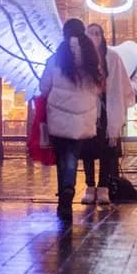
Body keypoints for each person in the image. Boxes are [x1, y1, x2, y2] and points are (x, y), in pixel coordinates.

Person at [39, 18, 103, 220]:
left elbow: (44, 87)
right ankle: (68, 191)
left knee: (62, 158)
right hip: (82, 117)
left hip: (58, 116)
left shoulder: (56, 57)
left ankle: (64, 196)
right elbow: (98, 87)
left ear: (65, 33)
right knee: (73, 157)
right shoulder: (91, 56)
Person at [80, 22, 136, 205]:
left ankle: (103, 187)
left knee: (106, 151)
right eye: (90, 33)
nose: (94, 37)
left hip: (106, 112)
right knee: (87, 151)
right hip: (87, 111)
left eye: (97, 33)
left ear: (103, 36)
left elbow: (122, 83)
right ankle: (89, 186)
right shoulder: (80, 57)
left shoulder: (113, 57)